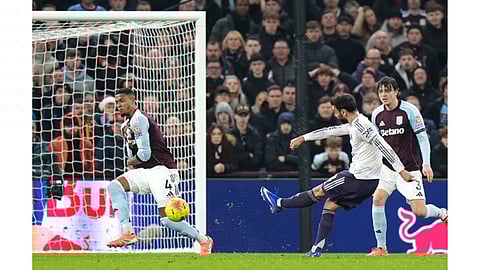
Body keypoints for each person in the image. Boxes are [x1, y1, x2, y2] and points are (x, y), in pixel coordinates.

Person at [260, 93, 413, 257]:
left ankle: (280, 203)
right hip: (368, 182)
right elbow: (329, 131)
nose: (334, 114)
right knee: (330, 206)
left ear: (343, 112)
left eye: (335, 111)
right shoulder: (355, 124)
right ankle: (316, 249)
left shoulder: (363, 127)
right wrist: (303, 138)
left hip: (356, 179)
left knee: (318, 192)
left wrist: (401, 170)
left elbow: (384, 147)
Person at [106, 88, 213, 256]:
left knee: (168, 220)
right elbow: (133, 156)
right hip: (146, 171)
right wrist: (131, 155)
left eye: (122, 101)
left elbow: (144, 154)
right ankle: (128, 232)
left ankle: (203, 240)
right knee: (114, 187)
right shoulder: (125, 125)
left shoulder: (139, 119)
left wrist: (130, 161)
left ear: (133, 100)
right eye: (117, 102)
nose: (118, 105)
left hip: (162, 171)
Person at [368, 77, 447, 256]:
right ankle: (381, 248)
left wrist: (426, 164)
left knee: (419, 211)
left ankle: (442, 213)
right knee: (378, 198)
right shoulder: (376, 114)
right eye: (380, 91)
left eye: (387, 90)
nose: (383, 95)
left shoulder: (409, 110)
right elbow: (377, 143)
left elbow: (422, 138)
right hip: (388, 169)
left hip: (410, 168)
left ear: (396, 91)